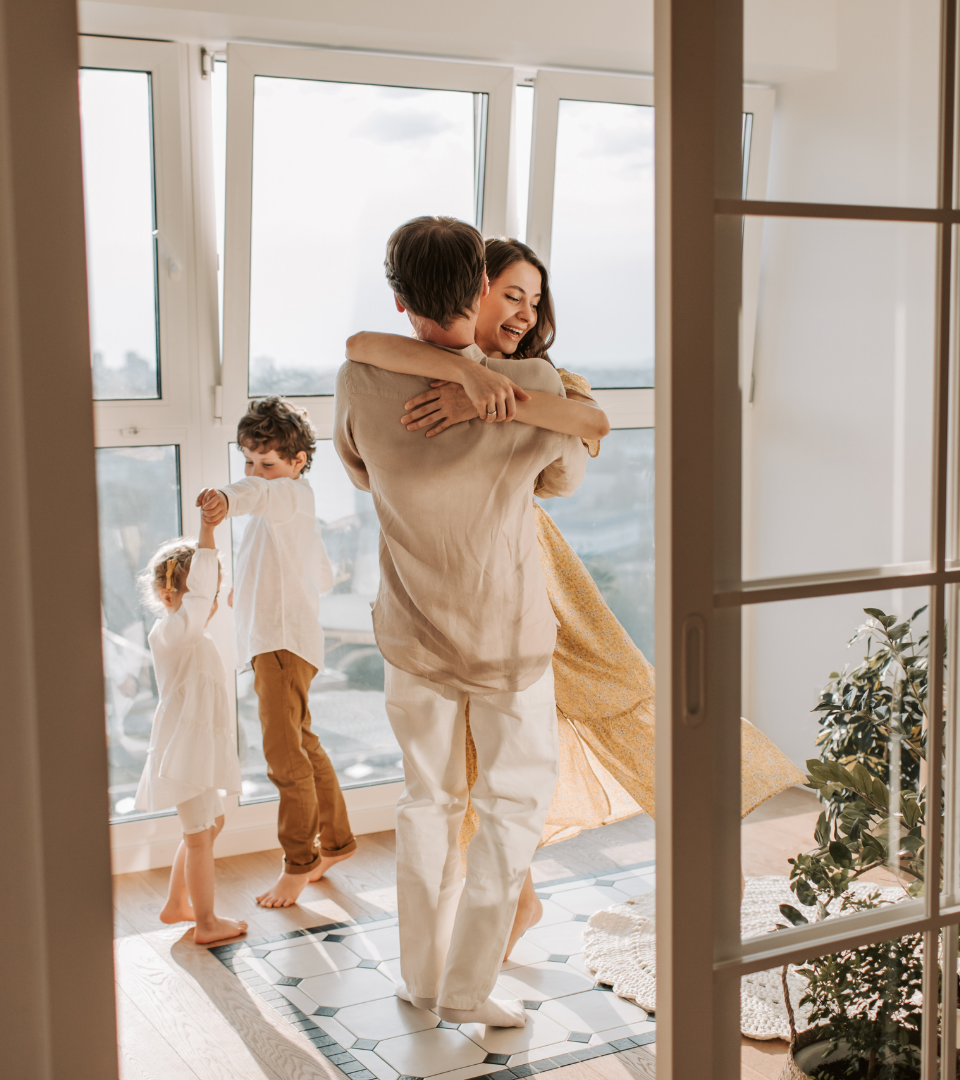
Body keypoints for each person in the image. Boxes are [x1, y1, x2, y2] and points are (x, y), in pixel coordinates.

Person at [346, 236, 806, 956]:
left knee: (614, 701)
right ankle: (510, 907)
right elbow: (364, 340)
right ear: (472, 295)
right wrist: (467, 381)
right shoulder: (411, 370)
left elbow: (581, 443)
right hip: (456, 593)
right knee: (472, 766)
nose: (525, 313)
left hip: (532, 572)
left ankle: (705, 827)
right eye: (510, 296)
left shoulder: (544, 382)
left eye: (535, 301)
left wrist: (491, 402)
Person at [334, 216, 587, 1029]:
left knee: (425, 805)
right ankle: (471, 989)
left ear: (399, 297)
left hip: (412, 634)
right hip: (508, 638)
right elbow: (564, 480)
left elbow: (358, 469)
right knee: (510, 810)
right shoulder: (537, 389)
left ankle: (420, 978)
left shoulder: (359, 379)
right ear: (482, 289)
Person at [198, 398, 357, 909]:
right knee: (303, 743)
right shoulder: (298, 502)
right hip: (290, 640)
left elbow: (252, 496)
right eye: (248, 461)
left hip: (280, 644)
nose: (256, 473)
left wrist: (226, 494)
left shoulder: (283, 495)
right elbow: (322, 571)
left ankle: (299, 862)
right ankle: (334, 843)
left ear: (298, 461)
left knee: (284, 757)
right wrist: (247, 589)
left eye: (267, 463)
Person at [134, 519, 246, 944]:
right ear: (169, 597)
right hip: (184, 753)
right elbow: (197, 596)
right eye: (204, 595)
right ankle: (206, 922)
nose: (210, 602)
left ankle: (175, 904)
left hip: (194, 751)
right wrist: (208, 533)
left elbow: (199, 595)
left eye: (213, 595)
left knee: (209, 826)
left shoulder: (187, 632)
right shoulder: (174, 632)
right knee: (200, 837)